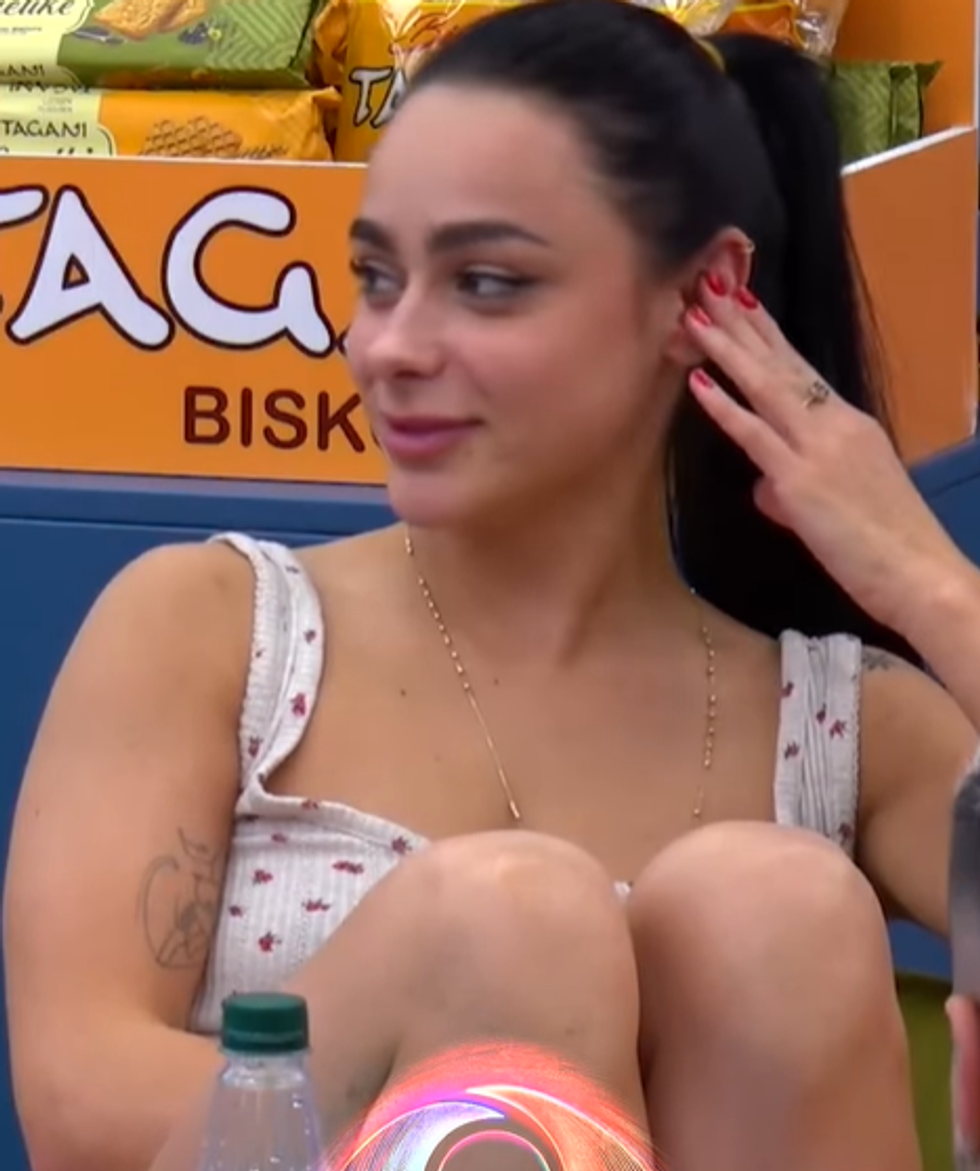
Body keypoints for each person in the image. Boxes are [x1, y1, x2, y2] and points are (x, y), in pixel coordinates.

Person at [4, 2, 976, 1170]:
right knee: (509, 919)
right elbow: (76, 1104)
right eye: (377, 277)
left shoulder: (843, 727)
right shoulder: (212, 628)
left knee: (771, 906)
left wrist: (927, 581)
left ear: (701, 297)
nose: (390, 347)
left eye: (485, 281)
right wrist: (451, 987)